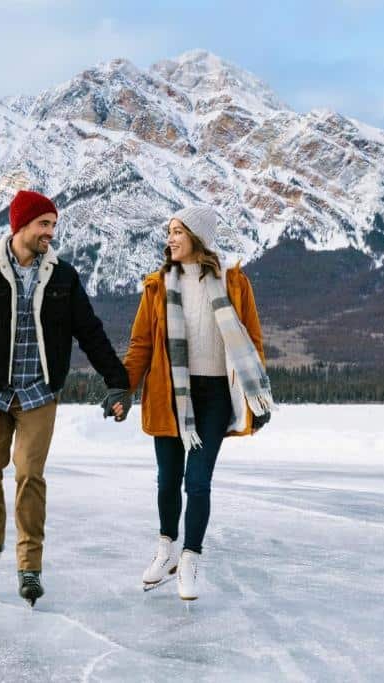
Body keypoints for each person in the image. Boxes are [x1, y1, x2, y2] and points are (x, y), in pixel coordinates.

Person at [0, 189, 131, 606]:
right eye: (43, 224)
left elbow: (90, 332)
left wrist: (116, 381)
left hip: (38, 394)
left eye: (53, 224)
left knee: (30, 475)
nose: (51, 232)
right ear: (21, 226)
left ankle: (29, 566)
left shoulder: (63, 278)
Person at [122, 206, 272, 601]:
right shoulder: (157, 286)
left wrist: (258, 395)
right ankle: (166, 550)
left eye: (178, 232)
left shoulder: (234, 284)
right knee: (167, 478)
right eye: (169, 232)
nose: (170, 239)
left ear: (198, 237)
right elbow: (140, 345)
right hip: (168, 395)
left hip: (216, 396)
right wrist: (123, 388)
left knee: (198, 480)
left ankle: (190, 558)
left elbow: (252, 342)